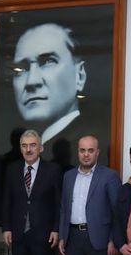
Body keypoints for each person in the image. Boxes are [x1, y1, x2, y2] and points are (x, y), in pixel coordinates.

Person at [10, 22, 108, 168]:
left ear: (79, 76)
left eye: (48, 61)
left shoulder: (92, 143)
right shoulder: (15, 162)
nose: (31, 81)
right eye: (21, 69)